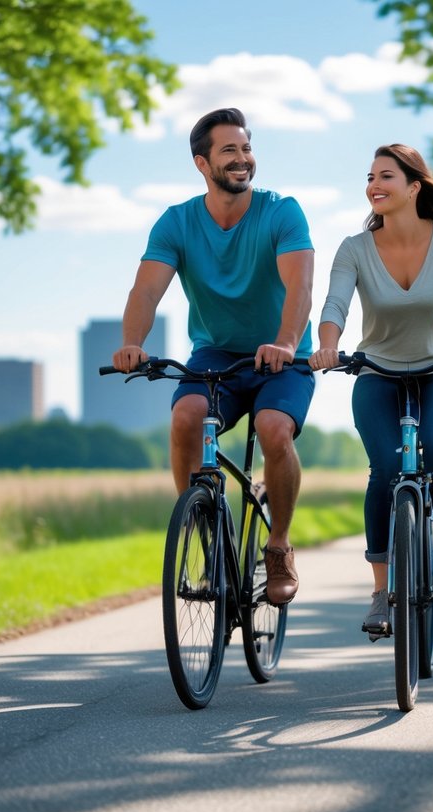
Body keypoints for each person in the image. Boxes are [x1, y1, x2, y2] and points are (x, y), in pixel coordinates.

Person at [112, 107, 314, 605]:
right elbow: (145, 290)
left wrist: (287, 342)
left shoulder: (281, 211)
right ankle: (203, 529)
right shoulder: (177, 222)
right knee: (185, 416)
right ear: (202, 163)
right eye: (230, 151)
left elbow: (301, 285)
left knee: (273, 429)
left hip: (282, 354)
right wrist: (133, 342)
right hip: (216, 352)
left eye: (247, 149)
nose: (243, 159)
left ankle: (280, 546)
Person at [308, 143, 433, 636]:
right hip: (378, 368)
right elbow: (334, 305)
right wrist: (329, 346)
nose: (374, 185)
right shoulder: (354, 249)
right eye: (370, 177)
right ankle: (381, 592)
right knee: (382, 472)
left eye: (386, 177)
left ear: (414, 187)